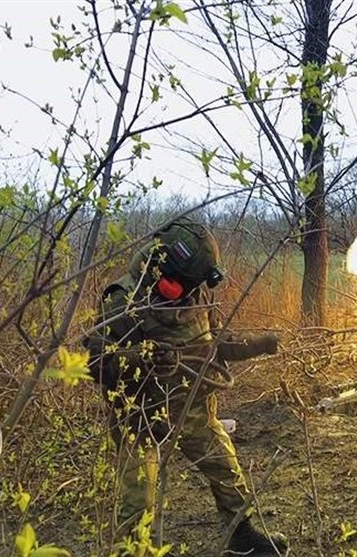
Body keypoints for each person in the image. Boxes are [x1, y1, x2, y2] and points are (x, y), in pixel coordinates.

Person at [85, 218, 288, 555]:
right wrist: (145, 358)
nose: (192, 293)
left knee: (225, 470)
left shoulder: (194, 293)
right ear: (163, 271)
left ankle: (241, 536)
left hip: (193, 410)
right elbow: (97, 363)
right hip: (142, 419)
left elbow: (215, 342)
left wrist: (259, 343)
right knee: (138, 501)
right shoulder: (125, 300)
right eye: (186, 284)